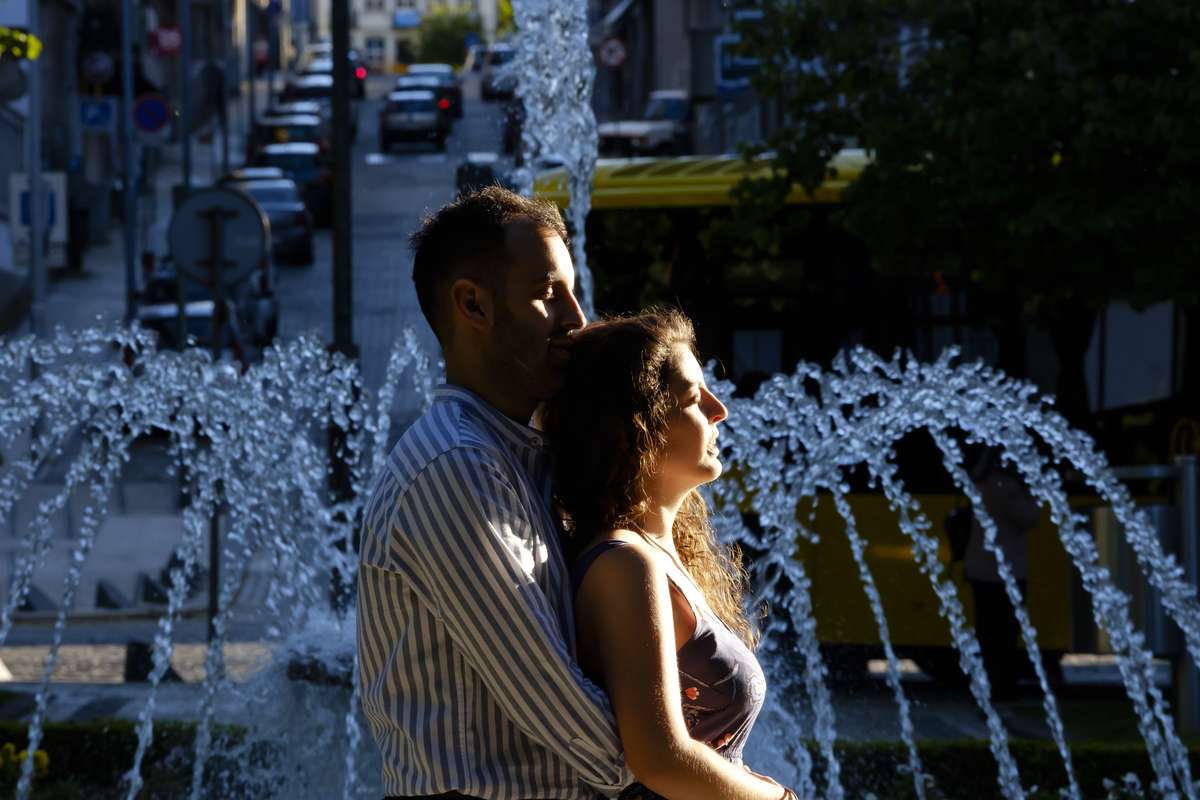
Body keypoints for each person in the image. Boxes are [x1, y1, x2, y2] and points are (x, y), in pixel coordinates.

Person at [357, 188, 790, 800]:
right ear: (471, 305)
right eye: (547, 292)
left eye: (572, 290)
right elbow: (575, 723)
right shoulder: (456, 466)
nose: (576, 318)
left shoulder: (519, 459)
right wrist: (701, 768)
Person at [538, 311, 795, 800]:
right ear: (633, 430)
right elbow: (659, 757)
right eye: (696, 400)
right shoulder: (624, 564)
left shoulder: (651, 553)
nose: (720, 411)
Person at [961, 447, 1043, 701]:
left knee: (987, 629)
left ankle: (985, 683)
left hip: (980, 568)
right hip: (1003, 571)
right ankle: (999, 686)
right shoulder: (1004, 485)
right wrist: (1033, 489)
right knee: (1004, 631)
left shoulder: (983, 481)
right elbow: (1031, 517)